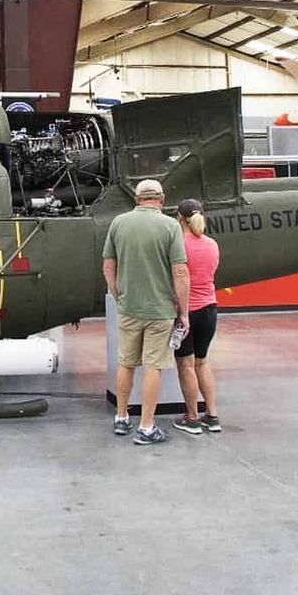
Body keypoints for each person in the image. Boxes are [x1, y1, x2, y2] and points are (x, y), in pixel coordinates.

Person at [103, 178, 189, 446]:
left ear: (137, 199)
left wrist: (120, 296)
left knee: (126, 362)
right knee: (153, 366)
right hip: (159, 310)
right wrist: (183, 312)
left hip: (129, 308)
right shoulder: (170, 226)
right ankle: (147, 426)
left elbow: (108, 266)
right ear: (161, 199)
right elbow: (180, 271)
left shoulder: (119, 223)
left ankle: (121, 418)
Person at [172, 198, 223, 437]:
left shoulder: (178, 245)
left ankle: (191, 417)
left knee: (186, 364)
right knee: (202, 361)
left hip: (186, 313)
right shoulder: (212, 244)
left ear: (180, 218)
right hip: (210, 309)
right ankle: (211, 415)